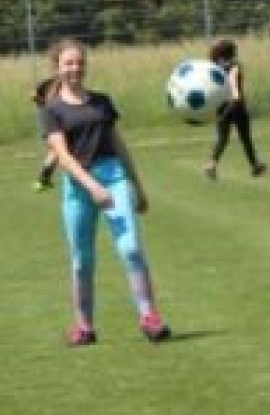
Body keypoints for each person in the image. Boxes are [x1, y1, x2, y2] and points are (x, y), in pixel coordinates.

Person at [39, 39, 171, 344]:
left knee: (131, 248)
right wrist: (92, 186)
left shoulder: (102, 102)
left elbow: (119, 145)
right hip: (79, 186)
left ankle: (149, 317)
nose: (75, 68)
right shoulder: (51, 110)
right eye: (68, 63)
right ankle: (84, 327)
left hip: (113, 177)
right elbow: (62, 156)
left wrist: (137, 186)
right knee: (81, 260)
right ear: (57, 67)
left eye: (79, 62)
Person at [201, 37, 268, 180]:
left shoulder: (214, 67)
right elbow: (234, 86)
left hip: (221, 105)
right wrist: (236, 99)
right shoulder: (235, 65)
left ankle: (212, 163)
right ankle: (255, 165)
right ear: (231, 52)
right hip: (237, 105)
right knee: (245, 137)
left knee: (222, 138)